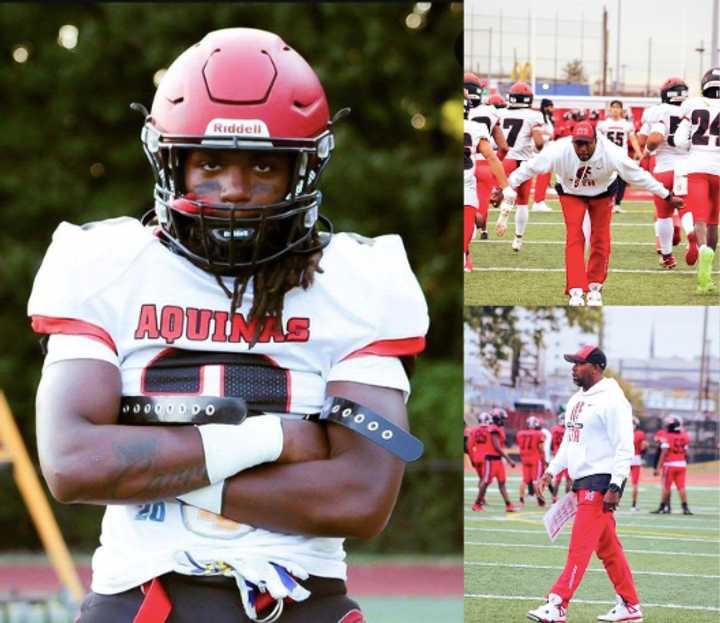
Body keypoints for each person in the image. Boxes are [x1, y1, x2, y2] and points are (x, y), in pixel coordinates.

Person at [28, 28, 429, 623]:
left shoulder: (357, 277)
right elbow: (71, 463)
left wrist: (150, 473)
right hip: (140, 597)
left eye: (263, 165)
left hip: (300, 601)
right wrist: (268, 441)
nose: (237, 190)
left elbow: (360, 497)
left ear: (302, 168)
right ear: (172, 162)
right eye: (210, 163)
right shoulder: (104, 264)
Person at [496, 121, 684, 306]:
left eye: (587, 143)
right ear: (572, 142)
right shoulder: (558, 150)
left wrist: (666, 195)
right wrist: (503, 188)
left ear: (596, 140)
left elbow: (639, 175)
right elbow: (528, 168)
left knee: (601, 237)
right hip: (570, 192)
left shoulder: (612, 153)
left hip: (603, 192)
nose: (583, 149)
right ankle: (576, 290)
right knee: (575, 235)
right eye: (578, 144)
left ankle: (595, 287)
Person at [528, 346, 642, 623]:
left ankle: (557, 604)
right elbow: (570, 442)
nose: (573, 368)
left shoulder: (613, 400)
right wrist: (551, 471)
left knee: (580, 546)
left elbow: (624, 447)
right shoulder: (577, 399)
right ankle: (630, 605)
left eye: (578, 363)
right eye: (573, 363)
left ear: (595, 366)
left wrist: (616, 486)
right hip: (581, 482)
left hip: (600, 482)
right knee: (608, 549)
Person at [637, 77, 698, 270]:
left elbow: (649, 139)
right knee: (686, 209)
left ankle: (667, 256)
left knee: (663, 214)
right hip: (686, 169)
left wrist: (647, 149)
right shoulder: (693, 110)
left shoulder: (658, 112)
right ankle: (690, 232)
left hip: (664, 169)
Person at [674, 66, 720, 294]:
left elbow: (680, 140)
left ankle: (703, 250)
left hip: (697, 166)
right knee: (714, 220)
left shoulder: (691, 104)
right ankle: (708, 272)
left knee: (700, 218)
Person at [464, 75, 514, 272]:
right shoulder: (490, 112)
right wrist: (503, 183)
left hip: (471, 164)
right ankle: (473, 236)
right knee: (476, 214)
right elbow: (502, 147)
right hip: (483, 164)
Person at [499, 81, 545, 252]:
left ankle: (496, 217)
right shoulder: (533, 116)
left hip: (502, 160)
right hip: (522, 162)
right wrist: (538, 148)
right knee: (523, 202)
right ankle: (518, 239)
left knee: (495, 196)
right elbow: (539, 141)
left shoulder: (500, 112)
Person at [596, 100, 643, 214]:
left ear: (621, 110)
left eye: (618, 107)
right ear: (610, 109)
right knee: (606, 180)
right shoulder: (603, 124)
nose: (615, 109)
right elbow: (598, 141)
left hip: (621, 155)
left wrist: (639, 152)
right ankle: (605, 202)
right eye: (613, 107)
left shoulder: (627, 124)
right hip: (607, 156)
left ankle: (617, 204)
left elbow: (633, 139)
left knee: (622, 180)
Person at [474, 408, 517, 513]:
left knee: (502, 483)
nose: (503, 420)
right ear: (497, 418)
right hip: (491, 460)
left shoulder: (496, 428)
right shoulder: (493, 428)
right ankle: (477, 504)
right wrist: (508, 459)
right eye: (502, 418)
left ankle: (508, 505)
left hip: (497, 460)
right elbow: (496, 447)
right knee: (486, 482)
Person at [652, 415, 693, 515]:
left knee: (666, 487)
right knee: (681, 487)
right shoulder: (685, 436)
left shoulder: (667, 437)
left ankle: (662, 507)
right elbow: (687, 453)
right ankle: (685, 507)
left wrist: (658, 467)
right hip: (682, 464)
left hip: (670, 464)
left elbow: (664, 452)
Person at [516, 416, 546, 507]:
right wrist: (544, 459)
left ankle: (521, 500)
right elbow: (541, 448)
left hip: (525, 459)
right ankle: (540, 500)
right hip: (535, 459)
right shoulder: (539, 433)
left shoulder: (520, 433)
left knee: (525, 480)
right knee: (536, 481)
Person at [532, 98, 555, 213]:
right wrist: (549, 137)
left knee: (546, 176)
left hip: (548, 150)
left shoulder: (548, 119)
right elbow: (537, 134)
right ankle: (538, 201)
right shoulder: (540, 118)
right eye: (550, 107)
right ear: (545, 107)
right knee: (543, 175)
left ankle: (539, 200)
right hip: (542, 151)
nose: (552, 109)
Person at [629, 417, 648, 511]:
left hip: (624, 458)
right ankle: (633, 505)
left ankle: (614, 503)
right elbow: (643, 447)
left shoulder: (623, 432)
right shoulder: (640, 434)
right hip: (636, 458)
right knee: (635, 484)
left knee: (619, 481)